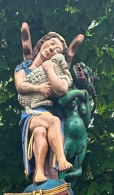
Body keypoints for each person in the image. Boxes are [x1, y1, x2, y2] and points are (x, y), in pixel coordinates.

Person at [14, 32, 73, 184]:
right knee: (53, 121)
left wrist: (50, 70)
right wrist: (39, 89)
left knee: (40, 131)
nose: (52, 49)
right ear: (42, 42)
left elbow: (61, 89)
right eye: (52, 44)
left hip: (47, 111)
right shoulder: (23, 68)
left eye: (57, 51)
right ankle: (61, 159)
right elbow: (20, 86)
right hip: (32, 112)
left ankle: (39, 171)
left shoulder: (57, 70)